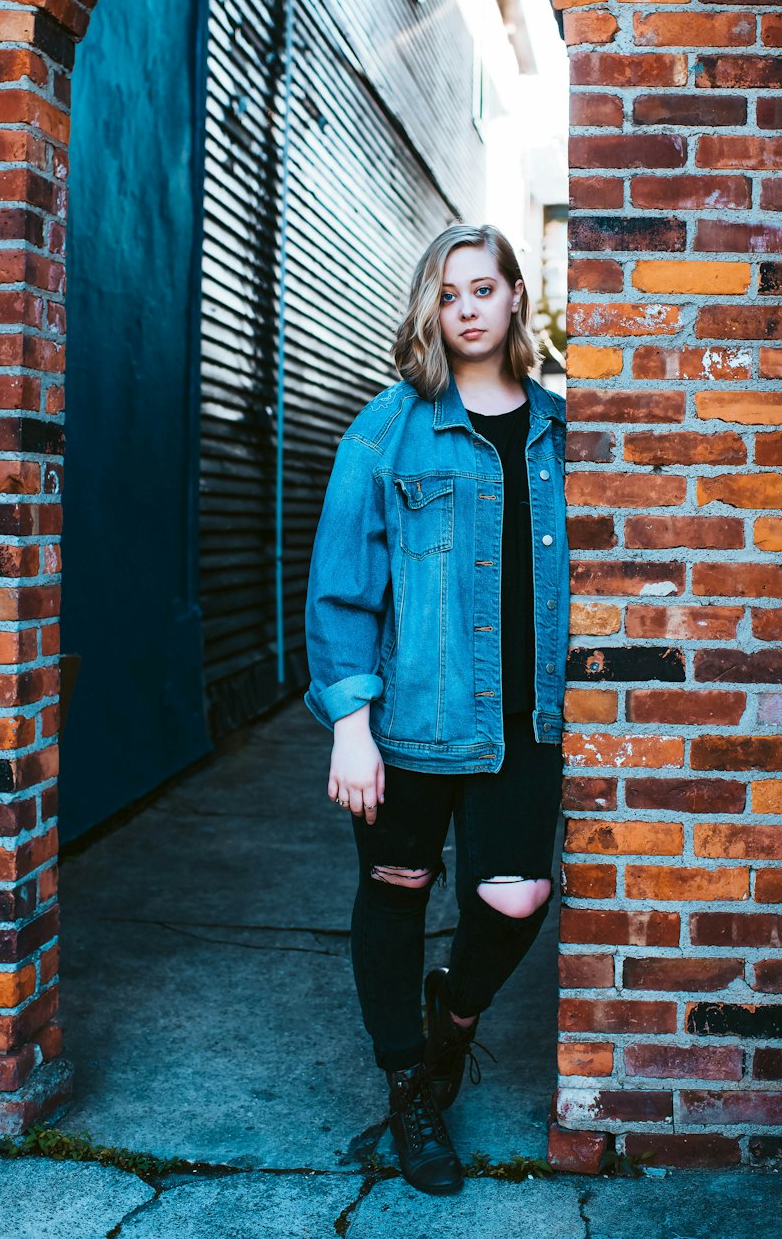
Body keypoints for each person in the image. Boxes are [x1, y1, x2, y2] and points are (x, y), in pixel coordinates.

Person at [303, 222, 569, 1197]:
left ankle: (448, 1022)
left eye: (484, 289)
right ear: (432, 306)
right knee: (399, 893)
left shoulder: (558, 430)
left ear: (513, 301)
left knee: (515, 898)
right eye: (448, 292)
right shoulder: (390, 424)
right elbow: (341, 586)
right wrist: (348, 722)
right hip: (411, 718)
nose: (466, 308)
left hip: (523, 724)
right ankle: (409, 1087)